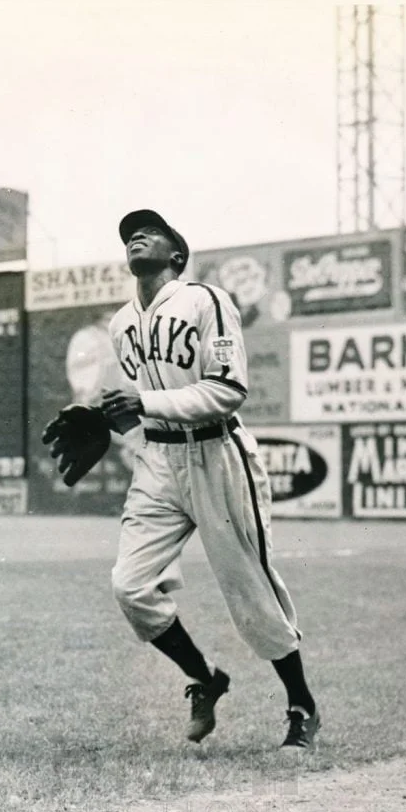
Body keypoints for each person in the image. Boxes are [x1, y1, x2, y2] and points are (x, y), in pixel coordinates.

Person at [100, 208, 320, 749]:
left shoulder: (205, 300)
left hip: (217, 453)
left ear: (177, 253)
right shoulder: (120, 324)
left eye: (149, 231)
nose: (136, 238)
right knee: (130, 586)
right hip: (158, 461)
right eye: (129, 234)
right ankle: (205, 677)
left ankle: (301, 703)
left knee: (249, 587)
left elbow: (227, 389)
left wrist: (145, 402)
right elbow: (138, 406)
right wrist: (108, 419)